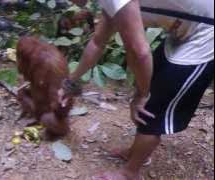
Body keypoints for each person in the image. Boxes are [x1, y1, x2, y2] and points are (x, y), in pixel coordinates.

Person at [67, 0, 214, 179]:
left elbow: (140, 52)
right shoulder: (110, 4)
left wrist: (142, 94)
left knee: (153, 108)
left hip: (206, 35)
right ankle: (135, 153)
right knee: (149, 93)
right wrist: (69, 82)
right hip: (184, 30)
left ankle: (130, 172)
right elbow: (98, 43)